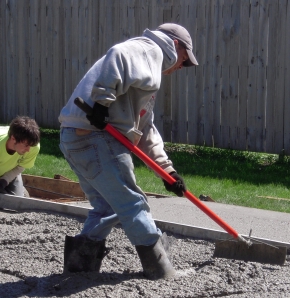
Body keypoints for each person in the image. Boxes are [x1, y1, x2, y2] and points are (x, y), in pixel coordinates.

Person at [58, 23, 198, 280]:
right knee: (133, 203)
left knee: (108, 206)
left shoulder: (145, 74)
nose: (180, 67)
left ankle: (80, 265)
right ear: (175, 46)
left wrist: (168, 171)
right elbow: (118, 54)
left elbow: (144, 128)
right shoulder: (149, 49)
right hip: (95, 137)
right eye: (184, 61)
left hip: (73, 138)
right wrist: (101, 101)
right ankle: (160, 267)